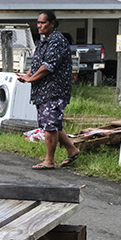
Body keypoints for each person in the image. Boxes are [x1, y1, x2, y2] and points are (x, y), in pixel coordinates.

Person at [18, 10, 80, 170]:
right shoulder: (43, 41)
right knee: (51, 123)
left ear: (52, 24)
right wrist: (27, 75)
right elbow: (38, 62)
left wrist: (31, 79)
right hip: (43, 89)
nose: (39, 25)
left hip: (55, 89)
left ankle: (49, 161)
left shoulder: (57, 41)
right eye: (38, 22)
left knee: (50, 125)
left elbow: (48, 66)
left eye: (43, 22)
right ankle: (72, 150)